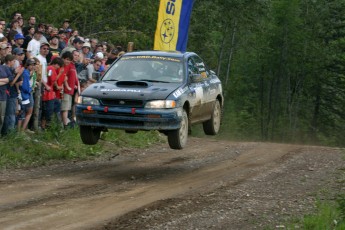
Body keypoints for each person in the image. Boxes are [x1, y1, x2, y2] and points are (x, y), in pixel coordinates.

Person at [1, 54, 24, 135]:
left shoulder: (8, 69)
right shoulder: (6, 68)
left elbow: (11, 80)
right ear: (9, 61)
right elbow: (11, 83)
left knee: (8, 114)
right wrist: (17, 74)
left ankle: (7, 133)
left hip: (8, 94)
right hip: (9, 94)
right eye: (14, 61)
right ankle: (8, 133)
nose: (14, 63)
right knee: (9, 115)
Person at [41, 57, 64, 129]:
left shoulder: (49, 68)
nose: (58, 68)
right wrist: (60, 74)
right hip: (48, 94)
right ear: (56, 64)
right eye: (59, 66)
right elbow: (52, 80)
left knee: (56, 106)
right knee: (48, 111)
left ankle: (54, 125)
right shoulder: (51, 68)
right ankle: (46, 126)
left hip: (50, 94)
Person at [17, 58, 35, 133]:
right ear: (28, 65)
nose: (33, 66)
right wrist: (30, 90)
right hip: (24, 95)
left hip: (24, 95)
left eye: (34, 65)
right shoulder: (25, 73)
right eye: (32, 65)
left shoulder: (26, 72)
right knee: (22, 114)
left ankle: (21, 131)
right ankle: (20, 132)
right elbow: (25, 87)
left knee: (23, 113)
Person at [60, 51, 78, 128]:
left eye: (77, 55)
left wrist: (75, 85)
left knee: (67, 108)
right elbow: (64, 77)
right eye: (75, 55)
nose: (76, 57)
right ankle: (65, 125)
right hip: (66, 91)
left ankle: (64, 124)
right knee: (65, 108)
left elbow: (74, 77)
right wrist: (67, 87)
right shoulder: (66, 66)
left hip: (70, 91)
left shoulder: (72, 65)